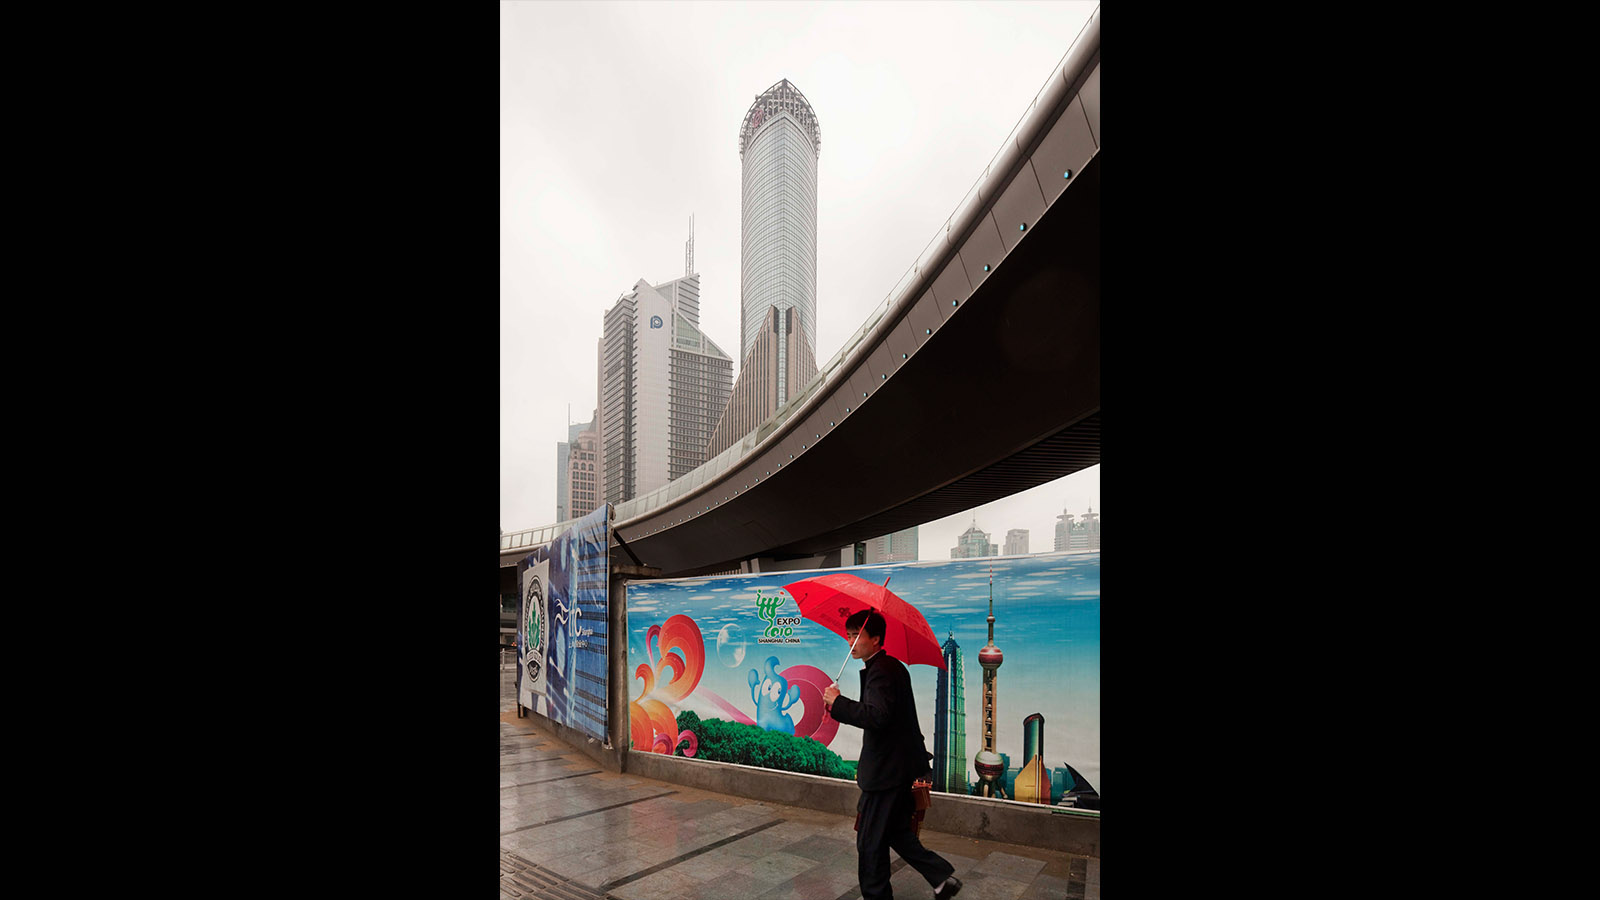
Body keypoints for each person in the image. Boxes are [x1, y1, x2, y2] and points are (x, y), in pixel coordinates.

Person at [824, 610, 962, 900]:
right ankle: (940, 878)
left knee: (870, 842)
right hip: (897, 768)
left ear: (875, 640)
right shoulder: (886, 667)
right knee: (896, 832)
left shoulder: (883, 670)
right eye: (848, 635)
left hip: (887, 773)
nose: (850, 642)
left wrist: (838, 703)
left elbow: (878, 716)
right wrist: (838, 704)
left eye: (856, 635)